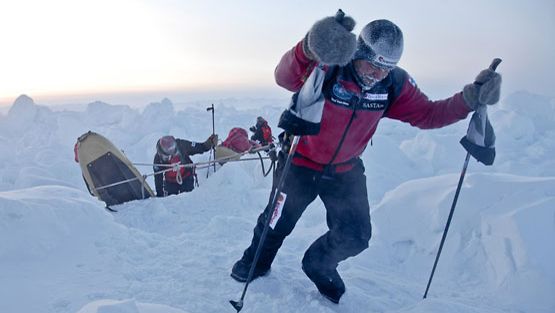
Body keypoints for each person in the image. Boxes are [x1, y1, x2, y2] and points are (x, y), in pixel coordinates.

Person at [230, 11, 502, 304]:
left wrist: (469, 99)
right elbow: (285, 77)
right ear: (359, 52)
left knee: (356, 235)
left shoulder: (393, 85)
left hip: (344, 171)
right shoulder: (330, 65)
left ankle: (318, 263)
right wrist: (309, 46)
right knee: (277, 221)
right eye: (373, 65)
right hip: (300, 161)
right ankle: (255, 262)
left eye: (386, 68)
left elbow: (428, 114)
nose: (378, 74)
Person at [153, 134, 218, 197]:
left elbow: (198, 147)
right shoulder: (158, 159)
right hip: (170, 182)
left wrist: (208, 144)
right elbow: (158, 179)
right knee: (171, 203)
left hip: (186, 177)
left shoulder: (181, 145)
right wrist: (160, 195)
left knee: (188, 199)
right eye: (167, 157)